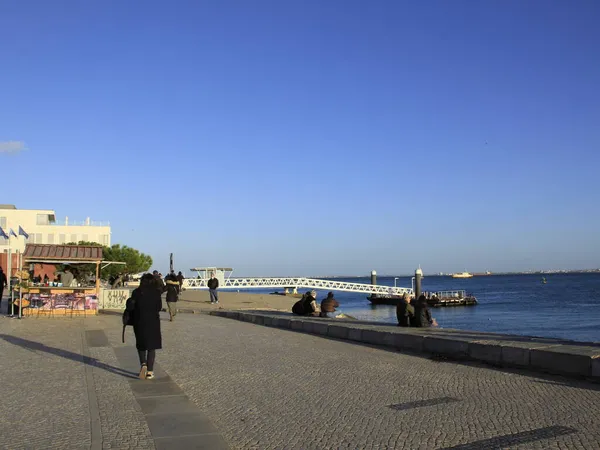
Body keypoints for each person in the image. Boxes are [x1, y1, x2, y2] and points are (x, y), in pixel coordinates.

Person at [132, 273, 163, 380]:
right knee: (151, 347)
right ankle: (150, 371)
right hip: (153, 321)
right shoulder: (156, 292)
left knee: (141, 345)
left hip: (139, 321)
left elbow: (133, 306)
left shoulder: (136, 292)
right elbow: (159, 307)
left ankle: (143, 364)